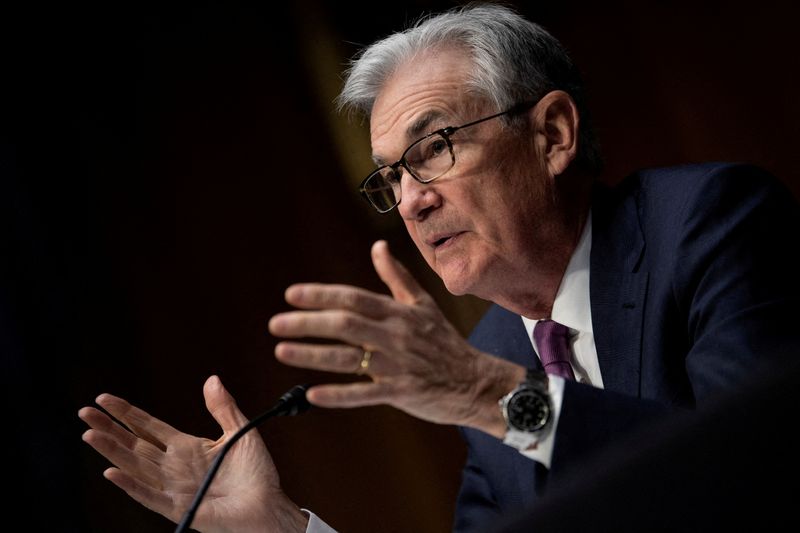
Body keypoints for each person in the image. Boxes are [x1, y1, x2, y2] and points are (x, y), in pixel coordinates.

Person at [78, 3, 800, 532]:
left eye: (435, 148)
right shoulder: (497, 349)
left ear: (552, 133)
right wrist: (281, 527)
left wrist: (487, 394)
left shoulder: (709, 224)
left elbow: (752, 476)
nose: (412, 202)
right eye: (390, 178)